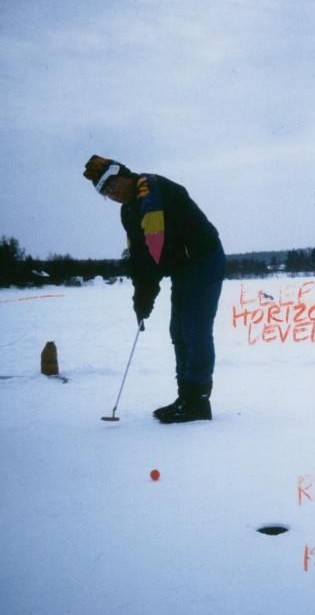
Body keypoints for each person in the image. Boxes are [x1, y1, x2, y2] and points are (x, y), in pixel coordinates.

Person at [83, 155, 225, 422]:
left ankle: (198, 403)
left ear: (124, 175)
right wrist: (141, 298)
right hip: (184, 267)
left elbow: (154, 248)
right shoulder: (128, 211)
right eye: (106, 193)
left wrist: (147, 291)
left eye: (113, 186)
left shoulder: (149, 189)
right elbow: (139, 256)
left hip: (204, 260)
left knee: (194, 330)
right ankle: (185, 397)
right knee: (178, 330)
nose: (113, 195)